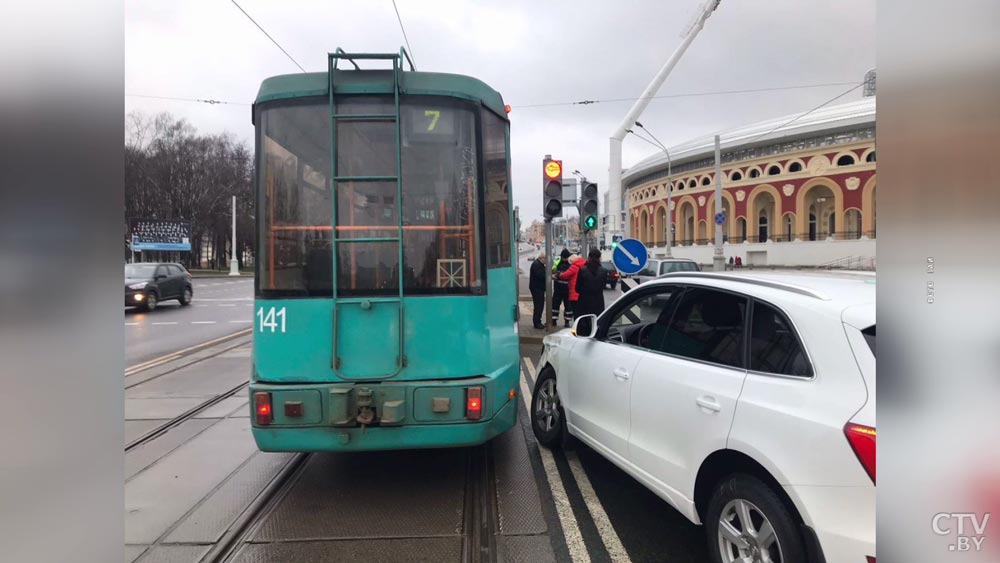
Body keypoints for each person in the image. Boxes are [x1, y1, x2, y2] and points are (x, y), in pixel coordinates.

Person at [574, 248, 608, 319]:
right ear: (599, 258)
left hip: (584, 302)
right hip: (598, 302)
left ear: (589, 258)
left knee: (584, 324)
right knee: (596, 322)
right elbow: (603, 286)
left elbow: (577, 288)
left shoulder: (582, 270)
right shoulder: (604, 271)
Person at [557, 253, 586, 326]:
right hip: (582, 293)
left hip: (574, 292)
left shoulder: (574, 267)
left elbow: (565, 275)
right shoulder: (584, 265)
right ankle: (582, 326)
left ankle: (577, 328)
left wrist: (558, 275)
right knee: (581, 312)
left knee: (576, 312)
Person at [551, 248, 572, 327]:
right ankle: (554, 320)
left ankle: (566, 321)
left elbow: (570, 274)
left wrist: (558, 274)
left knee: (567, 306)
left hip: (562, 288)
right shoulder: (558, 262)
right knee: (556, 305)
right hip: (560, 288)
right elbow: (552, 271)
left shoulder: (570, 264)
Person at [529, 254, 546, 329]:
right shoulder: (537, 265)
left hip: (538, 288)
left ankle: (538, 321)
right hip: (537, 288)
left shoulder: (538, 264)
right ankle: (537, 322)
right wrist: (548, 275)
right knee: (538, 305)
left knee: (539, 305)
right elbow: (540, 275)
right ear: (542, 258)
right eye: (545, 259)